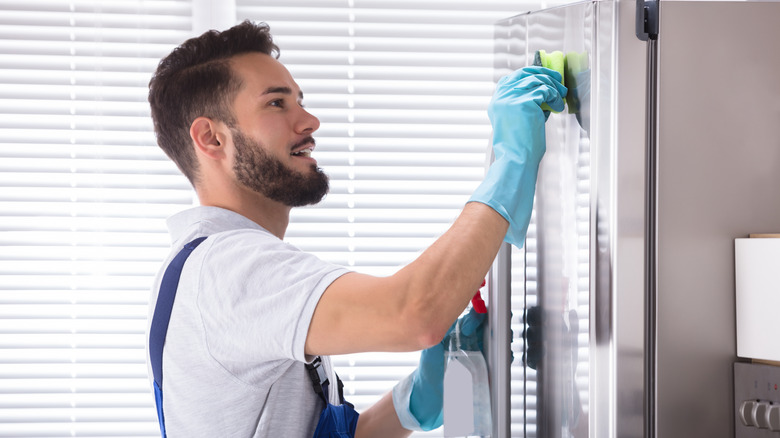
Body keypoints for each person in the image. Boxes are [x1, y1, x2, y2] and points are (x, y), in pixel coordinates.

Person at [145, 19, 566, 437]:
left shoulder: (206, 267)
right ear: (211, 139)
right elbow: (414, 314)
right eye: (277, 104)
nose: (310, 121)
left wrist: (416, 402)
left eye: (299, 101)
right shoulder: (228, 267)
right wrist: (510, 163)